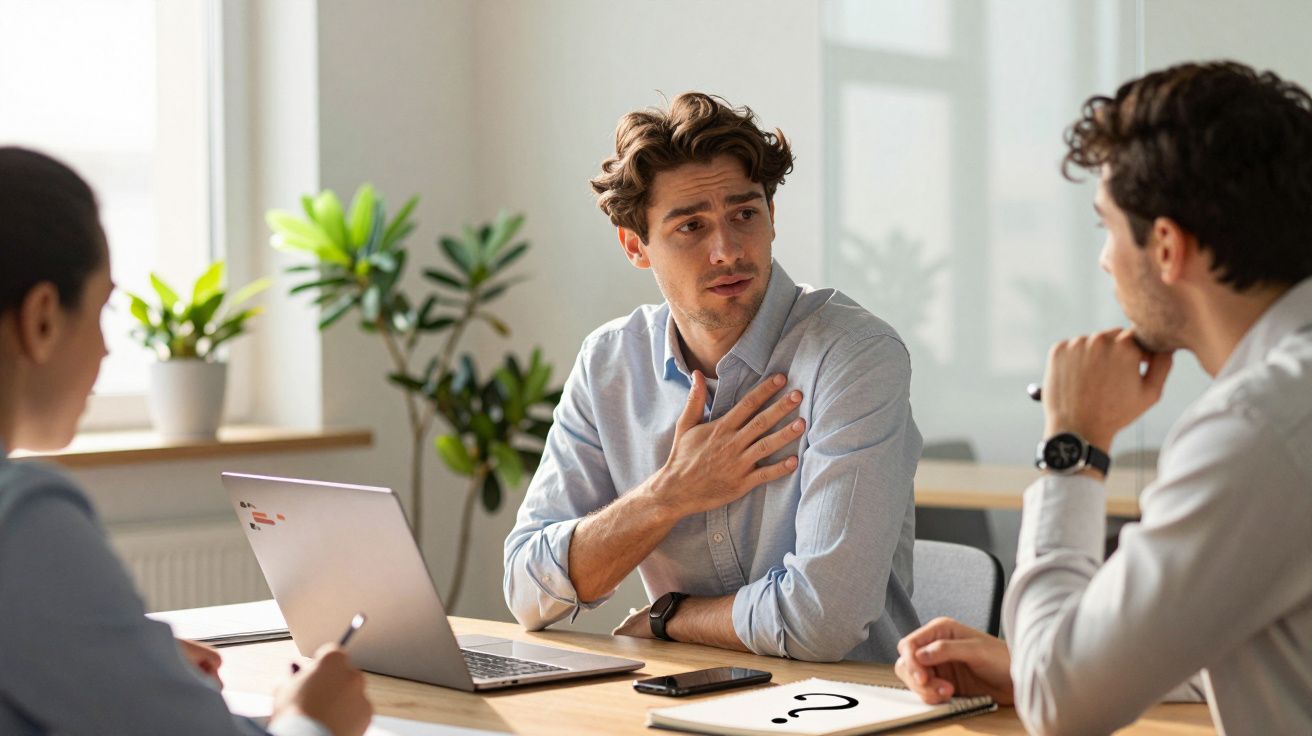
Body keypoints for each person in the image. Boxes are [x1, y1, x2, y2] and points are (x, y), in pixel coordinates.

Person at [893, 61, 1312, 734]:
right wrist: (1046, 659)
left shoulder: (1256, 425)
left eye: (1106, 229)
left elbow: (1063, 710)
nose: (1105, 261)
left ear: (1168, 247)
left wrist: (1074, 446)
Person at [503, 92, 922, 663]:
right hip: (680, 702)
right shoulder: (609, 364)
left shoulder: (852, 355)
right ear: (636, 246)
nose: (727, 250)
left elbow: (823, 621)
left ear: (771, 217)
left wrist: (668, 617)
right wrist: (670, 494)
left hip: (844, 706)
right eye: (690, 227)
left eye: (744, 214)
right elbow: (529, 593)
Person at [0, 146, 373, 736]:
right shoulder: (21, 518)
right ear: (43, 318)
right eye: (103, 312)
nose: (104, 349)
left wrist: (127, 664)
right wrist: (311, 718)